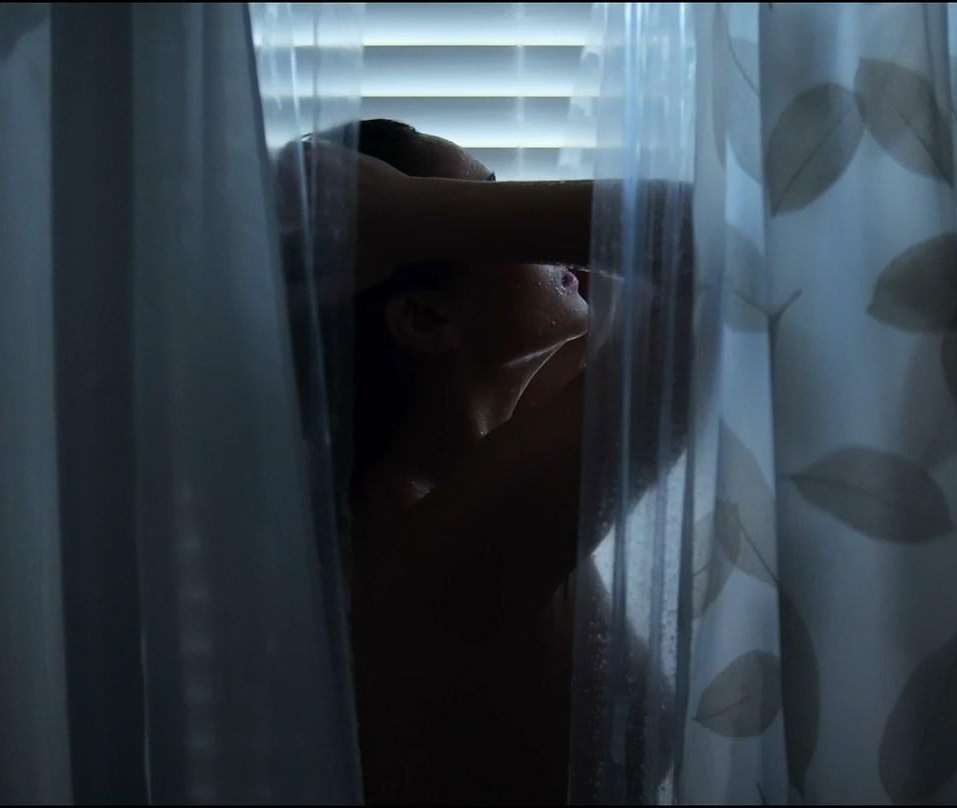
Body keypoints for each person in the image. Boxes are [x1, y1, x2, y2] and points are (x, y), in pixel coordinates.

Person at [274, 120, 683, 804]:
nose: (522, 218)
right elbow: (714, 246)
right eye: (485, 204)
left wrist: (416, 219)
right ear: (427, 320)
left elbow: (681, 265)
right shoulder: (433, 542)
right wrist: (410, 215)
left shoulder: (485, 441)